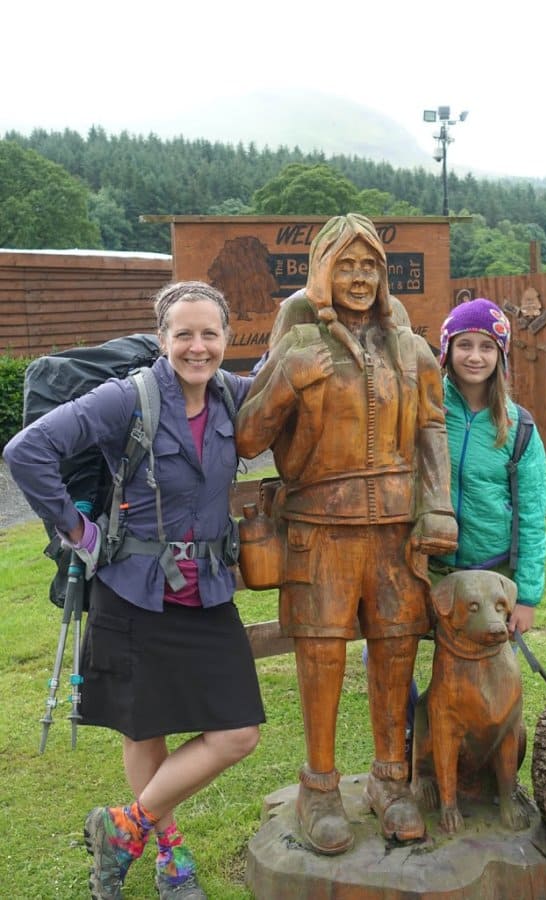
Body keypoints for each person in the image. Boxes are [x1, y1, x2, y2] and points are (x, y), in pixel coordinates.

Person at [3, 281, 266, 900]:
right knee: (144, 727)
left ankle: (123, 828)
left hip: (207, 592)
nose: (197, 347)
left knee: (237, 733)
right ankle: (171, 858)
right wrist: (76, 531)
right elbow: (28, 449)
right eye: (184, 334)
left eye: (209, 334)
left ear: (226, 339)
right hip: (132, 590)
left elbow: (309, 398)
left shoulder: (237, 397)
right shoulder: (127, 398)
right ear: (162, 338)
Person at [235, 213, 457, 854]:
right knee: (323, 654)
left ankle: (390, 779)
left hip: (393, 530)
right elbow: (248, 437)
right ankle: (321, 787)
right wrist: (284, 377)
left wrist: (437, 504)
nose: (359, 279)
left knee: (394, 649)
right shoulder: (298, 344)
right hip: (317, 530)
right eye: (346, 266)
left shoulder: (410, 349)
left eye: (371, 267)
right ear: (321, 272)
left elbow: (431, 431)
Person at [431, 297, 546, 633]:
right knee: (381, 657)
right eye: (464, 344)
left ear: (500, 355)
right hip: (428, 568)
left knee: (483, 681)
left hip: (492, 576)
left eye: (487, 346)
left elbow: (531, 518)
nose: (475, 356)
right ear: (448, 349)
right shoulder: (424, 408)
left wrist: (526, 598)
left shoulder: (519, 427)